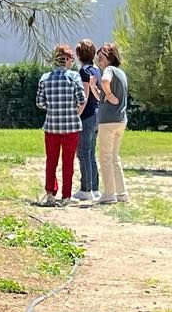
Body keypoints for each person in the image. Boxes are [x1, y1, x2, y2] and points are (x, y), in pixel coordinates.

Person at [35, 43, 84, 205]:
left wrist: (53, 107)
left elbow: (40, 103)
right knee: (68, 163)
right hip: (71, 126)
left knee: (51, 161)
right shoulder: (74, 77)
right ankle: (66, 196)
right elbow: (81, 99)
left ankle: (50, 193)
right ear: (67, 59)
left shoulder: (45, 78)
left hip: (51, 126)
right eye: (71, 59)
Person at [95, 43, 130, 205]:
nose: (98, 61)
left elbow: (105, 81)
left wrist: (108, 94)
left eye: (101, 58)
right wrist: (102, 93)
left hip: (108, 121)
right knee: (115, 158)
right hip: (120, 120)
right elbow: (103, 95)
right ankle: (121, 193)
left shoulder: (108, 71)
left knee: (105, 158)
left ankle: (109, 194)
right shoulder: (121, 73)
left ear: (109, 57)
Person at [73, 38, 102, 203]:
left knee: (83, 153)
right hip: (96, 114)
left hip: (87, 116)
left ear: (79, 54)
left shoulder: (84, 72)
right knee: (91, 152)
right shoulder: (96, 70)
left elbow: (83, 96)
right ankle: (95, 188)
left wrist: (76, 115)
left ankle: (86, 188)